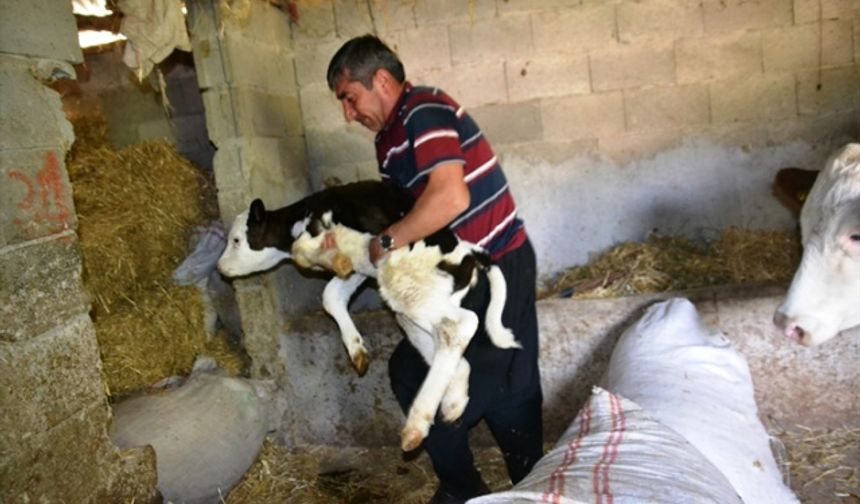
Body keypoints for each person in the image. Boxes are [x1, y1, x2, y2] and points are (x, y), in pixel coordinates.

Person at [326, 34, 543, 504]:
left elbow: (450, 197)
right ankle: (465, 485)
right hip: (456, 276)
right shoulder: (389, 139)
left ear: (381, 80)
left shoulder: (422, 110)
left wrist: (385, 242)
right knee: (412, 369)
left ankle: (531, 488)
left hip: (497, 263)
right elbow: (408, 217)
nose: (348, 114)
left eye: (349, 98)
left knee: (503, 385)